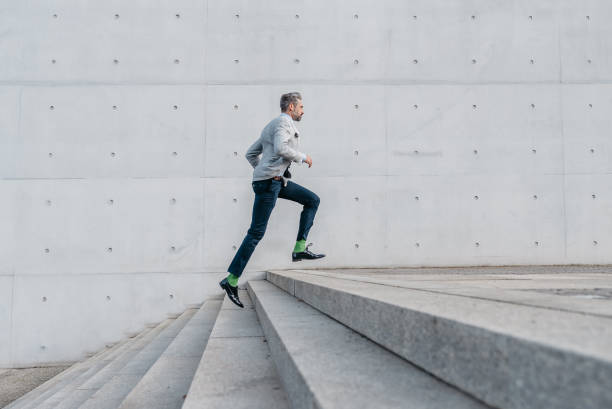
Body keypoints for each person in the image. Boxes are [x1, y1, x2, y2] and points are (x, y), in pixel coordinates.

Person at [219, 92, 325, 308]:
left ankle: (299, 248)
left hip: (274, 182)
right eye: (301, 107)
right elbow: (280, 149)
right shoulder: (283, 123)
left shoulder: (271, 125)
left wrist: (268, 170)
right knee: (256, 232)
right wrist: (303, 157)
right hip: (269, 184)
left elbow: (251, 154)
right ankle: (231, 280)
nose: (303, 111)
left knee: (312, 200)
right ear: (292, 107)